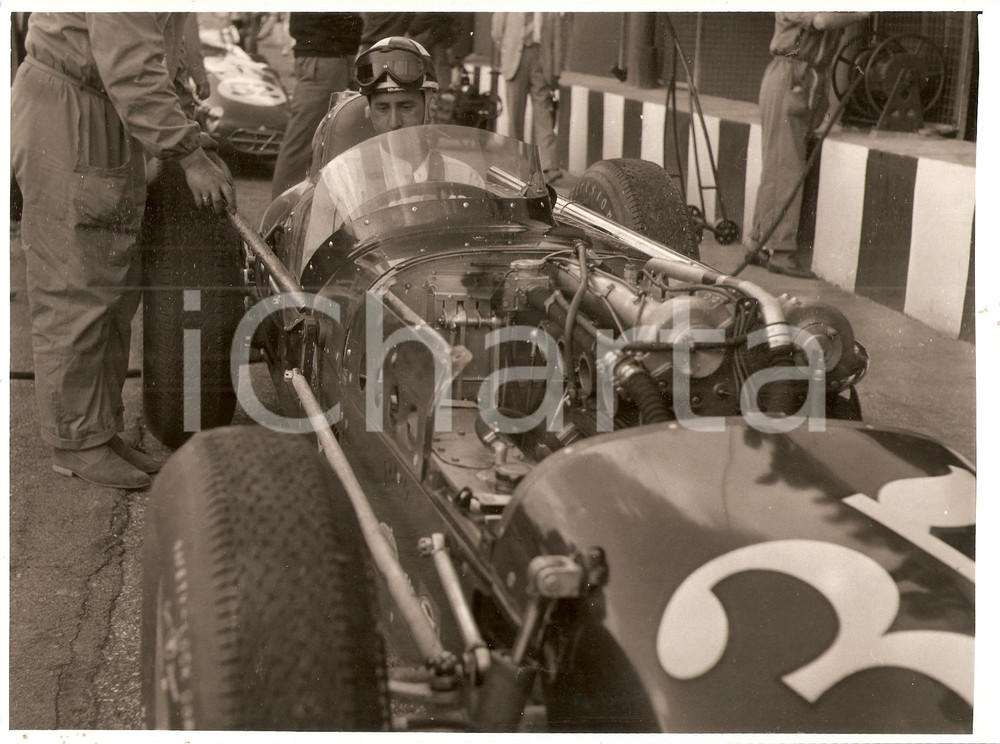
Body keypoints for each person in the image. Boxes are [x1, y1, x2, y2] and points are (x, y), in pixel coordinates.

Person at [10, 13, 235, 490]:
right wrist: (187, 153)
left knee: (108, 288)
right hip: (71, 108)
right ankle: (74, 443)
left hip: (100, 103)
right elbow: (131, 66)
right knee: (74, 286)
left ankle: (98, 429)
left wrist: (181, 113)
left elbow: (151, 45)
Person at [302, 36, 482, 268]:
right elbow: (316, 271)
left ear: (429, 107)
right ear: (369, 112)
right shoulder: (341, 178)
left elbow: (475, 268)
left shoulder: (464, 178)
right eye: (383, 108)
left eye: (406, 107)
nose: (394, 122)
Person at [747, 12, 869, 278]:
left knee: (779, 164)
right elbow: (822, 21)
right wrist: (860, 13)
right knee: (785, 165)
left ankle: (758, 241)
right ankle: (780, 251)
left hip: (807, 76)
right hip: (789, 73)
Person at [270, 12, 364, 199]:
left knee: (311, 140)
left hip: (330, 53)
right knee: (301, 142)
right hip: (325, 54)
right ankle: (279, 219)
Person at [491, 12, 570, 183]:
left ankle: (549, 166)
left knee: (543, 112)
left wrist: (555, 71)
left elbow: (557, 40)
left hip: (541, 61)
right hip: (515, 61)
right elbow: (497, 32)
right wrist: (506, 53)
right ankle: (516, 164)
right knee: (515, 116)